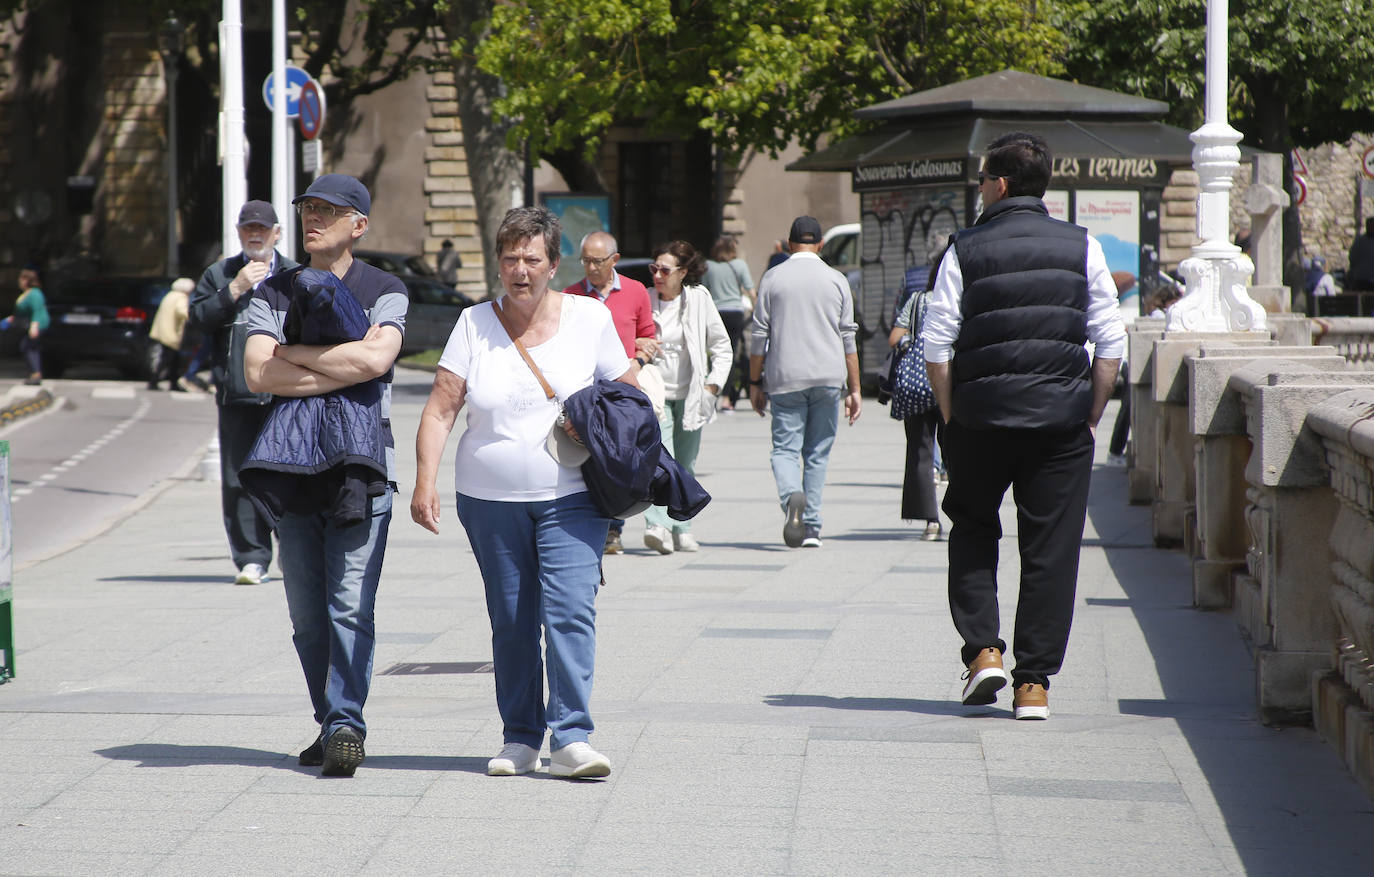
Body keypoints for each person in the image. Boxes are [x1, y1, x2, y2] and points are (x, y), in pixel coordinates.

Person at [411, 206, 636, 780]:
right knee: (512, 620)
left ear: (553, 265)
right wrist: (424, 481)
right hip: (488, 500)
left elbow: (630, 397)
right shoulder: (473, 324)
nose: (520, 269)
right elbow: (440, 409)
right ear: (498, 263)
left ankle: (572, 738)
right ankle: (520, 737)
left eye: (532, 259)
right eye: (510, 258)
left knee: (569, 611)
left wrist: (598, 424)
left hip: (574, 496)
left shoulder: (589, 318)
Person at [922, 132, 1125, 721]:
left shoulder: (965, 248)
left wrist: (951, 415)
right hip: (1060, 423)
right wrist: (1091, 413)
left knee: (972, 528)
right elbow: (1110, 342)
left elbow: (937, 343)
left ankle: (983, 651)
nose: (980, 189)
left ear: (1001, 185)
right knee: (1051, 550)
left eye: (983, 179)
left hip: (980, 419)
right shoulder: (1082, 245)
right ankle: (1033, 684)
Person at [242, 174, 408, 777]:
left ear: (358, 224)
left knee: (348, 607)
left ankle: (344, 726)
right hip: (292, 468)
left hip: (360, 468)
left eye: (328, 210)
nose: (313, 217)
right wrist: (343, 368)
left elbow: (377, 358)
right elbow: (257, 374)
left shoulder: (385, 289)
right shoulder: (272, 291)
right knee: (309, 619)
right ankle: (330, 720)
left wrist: (292, 354)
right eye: (308, 208)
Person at [188, 201, 298, 585]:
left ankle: (294, 552)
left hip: (285, 395)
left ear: (277, 233)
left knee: (288, 476)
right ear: (238, 232)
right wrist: (234, 288)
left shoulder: (294, 275)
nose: (255, 235)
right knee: (238, 480)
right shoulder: (219, 274)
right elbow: (198, 319)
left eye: (262, 229)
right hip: (236, 395)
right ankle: (252, 558)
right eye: (248, 228)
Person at [748, 216, 862, 549]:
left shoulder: (773, 278)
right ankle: (811, 525)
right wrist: (855, 389)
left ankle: (791, 497)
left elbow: (759, 336)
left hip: (785, 376)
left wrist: (754, 382)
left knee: (785, 450)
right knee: (817, 453)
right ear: (821, 244)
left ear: (789, 244)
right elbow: (848, 338)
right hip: (828, 376)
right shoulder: (836, 279)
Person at [562, 230, 659, 555]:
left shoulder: (636, 291)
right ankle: (595, 524)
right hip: (584, 393)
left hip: (620, 394)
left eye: (598, 261)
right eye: (586, 261)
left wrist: (638, 361)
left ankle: (613, 527)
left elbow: (648, 336)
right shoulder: (570, 296)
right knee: (587, 459)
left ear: (614, 260)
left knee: (618, 458)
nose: (591, 267)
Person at [642, 240, 732, 554]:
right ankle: (657, 525)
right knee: (660, 461)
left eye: (664, 270)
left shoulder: (699, 299)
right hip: (656, 394)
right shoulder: (646, 298)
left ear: (682, 272)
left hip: (692, 394)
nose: (657, 275)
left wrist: (712, 386)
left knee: (685, 464)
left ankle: (682, 527)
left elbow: (722, 347)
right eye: (654, 268)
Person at [888, 273, 942, 540]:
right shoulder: (962, 299)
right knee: (961, 451)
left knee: (921, 451)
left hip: (918, 385)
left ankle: (932, 521)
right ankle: (965, 515)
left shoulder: (918, 300)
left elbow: (894, 337)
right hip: (955, 384)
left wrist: (909, 342)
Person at [700, 236, 754, 411]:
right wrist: (756, 309)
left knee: (712, 353)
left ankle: (710, 390)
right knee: (729, 355)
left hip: (715, 313)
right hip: (735, 313)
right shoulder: (740, 265)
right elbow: (751, 290)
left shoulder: (708, 266)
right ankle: (726, 399)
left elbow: (704, 290)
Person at [1106, 272, 1139, 466]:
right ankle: (1115, 451)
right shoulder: (1115, 307)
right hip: (1124, 362)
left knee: (1127, 410)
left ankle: (1115, 451)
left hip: (1124, 361)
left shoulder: (1118, 307)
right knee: (1127, 410)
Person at [4, 264, 49, 385]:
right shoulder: (26, 293)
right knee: (28, 347)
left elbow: (37, 310)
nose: (19, 281)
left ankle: (36, 374)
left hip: (37, 325)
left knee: (28, 347)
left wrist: (34, 326)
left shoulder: (35, 294)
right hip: (28, 324)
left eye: (21, 278)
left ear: (27, 280)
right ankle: (34, 373)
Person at [147, 277, 193, 391]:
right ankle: (154, 381)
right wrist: (191, 315)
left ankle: (172, 383)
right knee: (167, 359)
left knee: (173, 360)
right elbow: (181, 311)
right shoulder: (181, 297)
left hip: (164, 330)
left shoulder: (170, 295)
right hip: (171, 332)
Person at [1346, 218, 1374, 291]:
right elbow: (1352, 257)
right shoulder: (1360, 241)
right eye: (1370, 226)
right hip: (1362, 278)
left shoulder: (1359, 241)